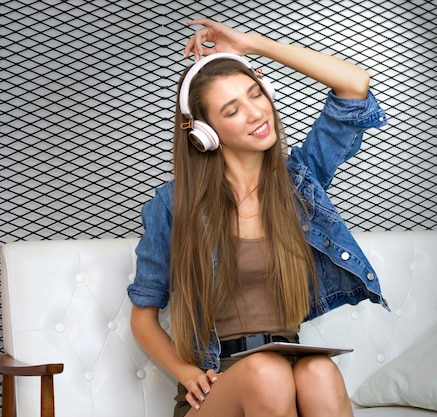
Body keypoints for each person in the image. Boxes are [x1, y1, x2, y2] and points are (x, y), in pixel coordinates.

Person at [127, 18, 388, 417]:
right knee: (267, 373)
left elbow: (354, 86)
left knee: (319, 370)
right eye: (232, 110)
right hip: (218, 387)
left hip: (288, 366)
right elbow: (143, 318)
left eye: (255, 95)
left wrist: (252, 44)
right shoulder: (174, 204)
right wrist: (184, 371)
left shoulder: (299, 182)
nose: (255, 114)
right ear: (204, 133)